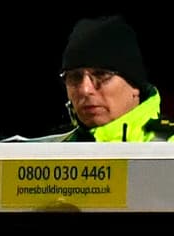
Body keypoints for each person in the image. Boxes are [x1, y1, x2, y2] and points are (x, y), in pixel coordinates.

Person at [55, 15, 174, 143]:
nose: (85, 89)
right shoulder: (48, 149)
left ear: (135, 86)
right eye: (74, 77)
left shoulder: (169, 145)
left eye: (101, 75)